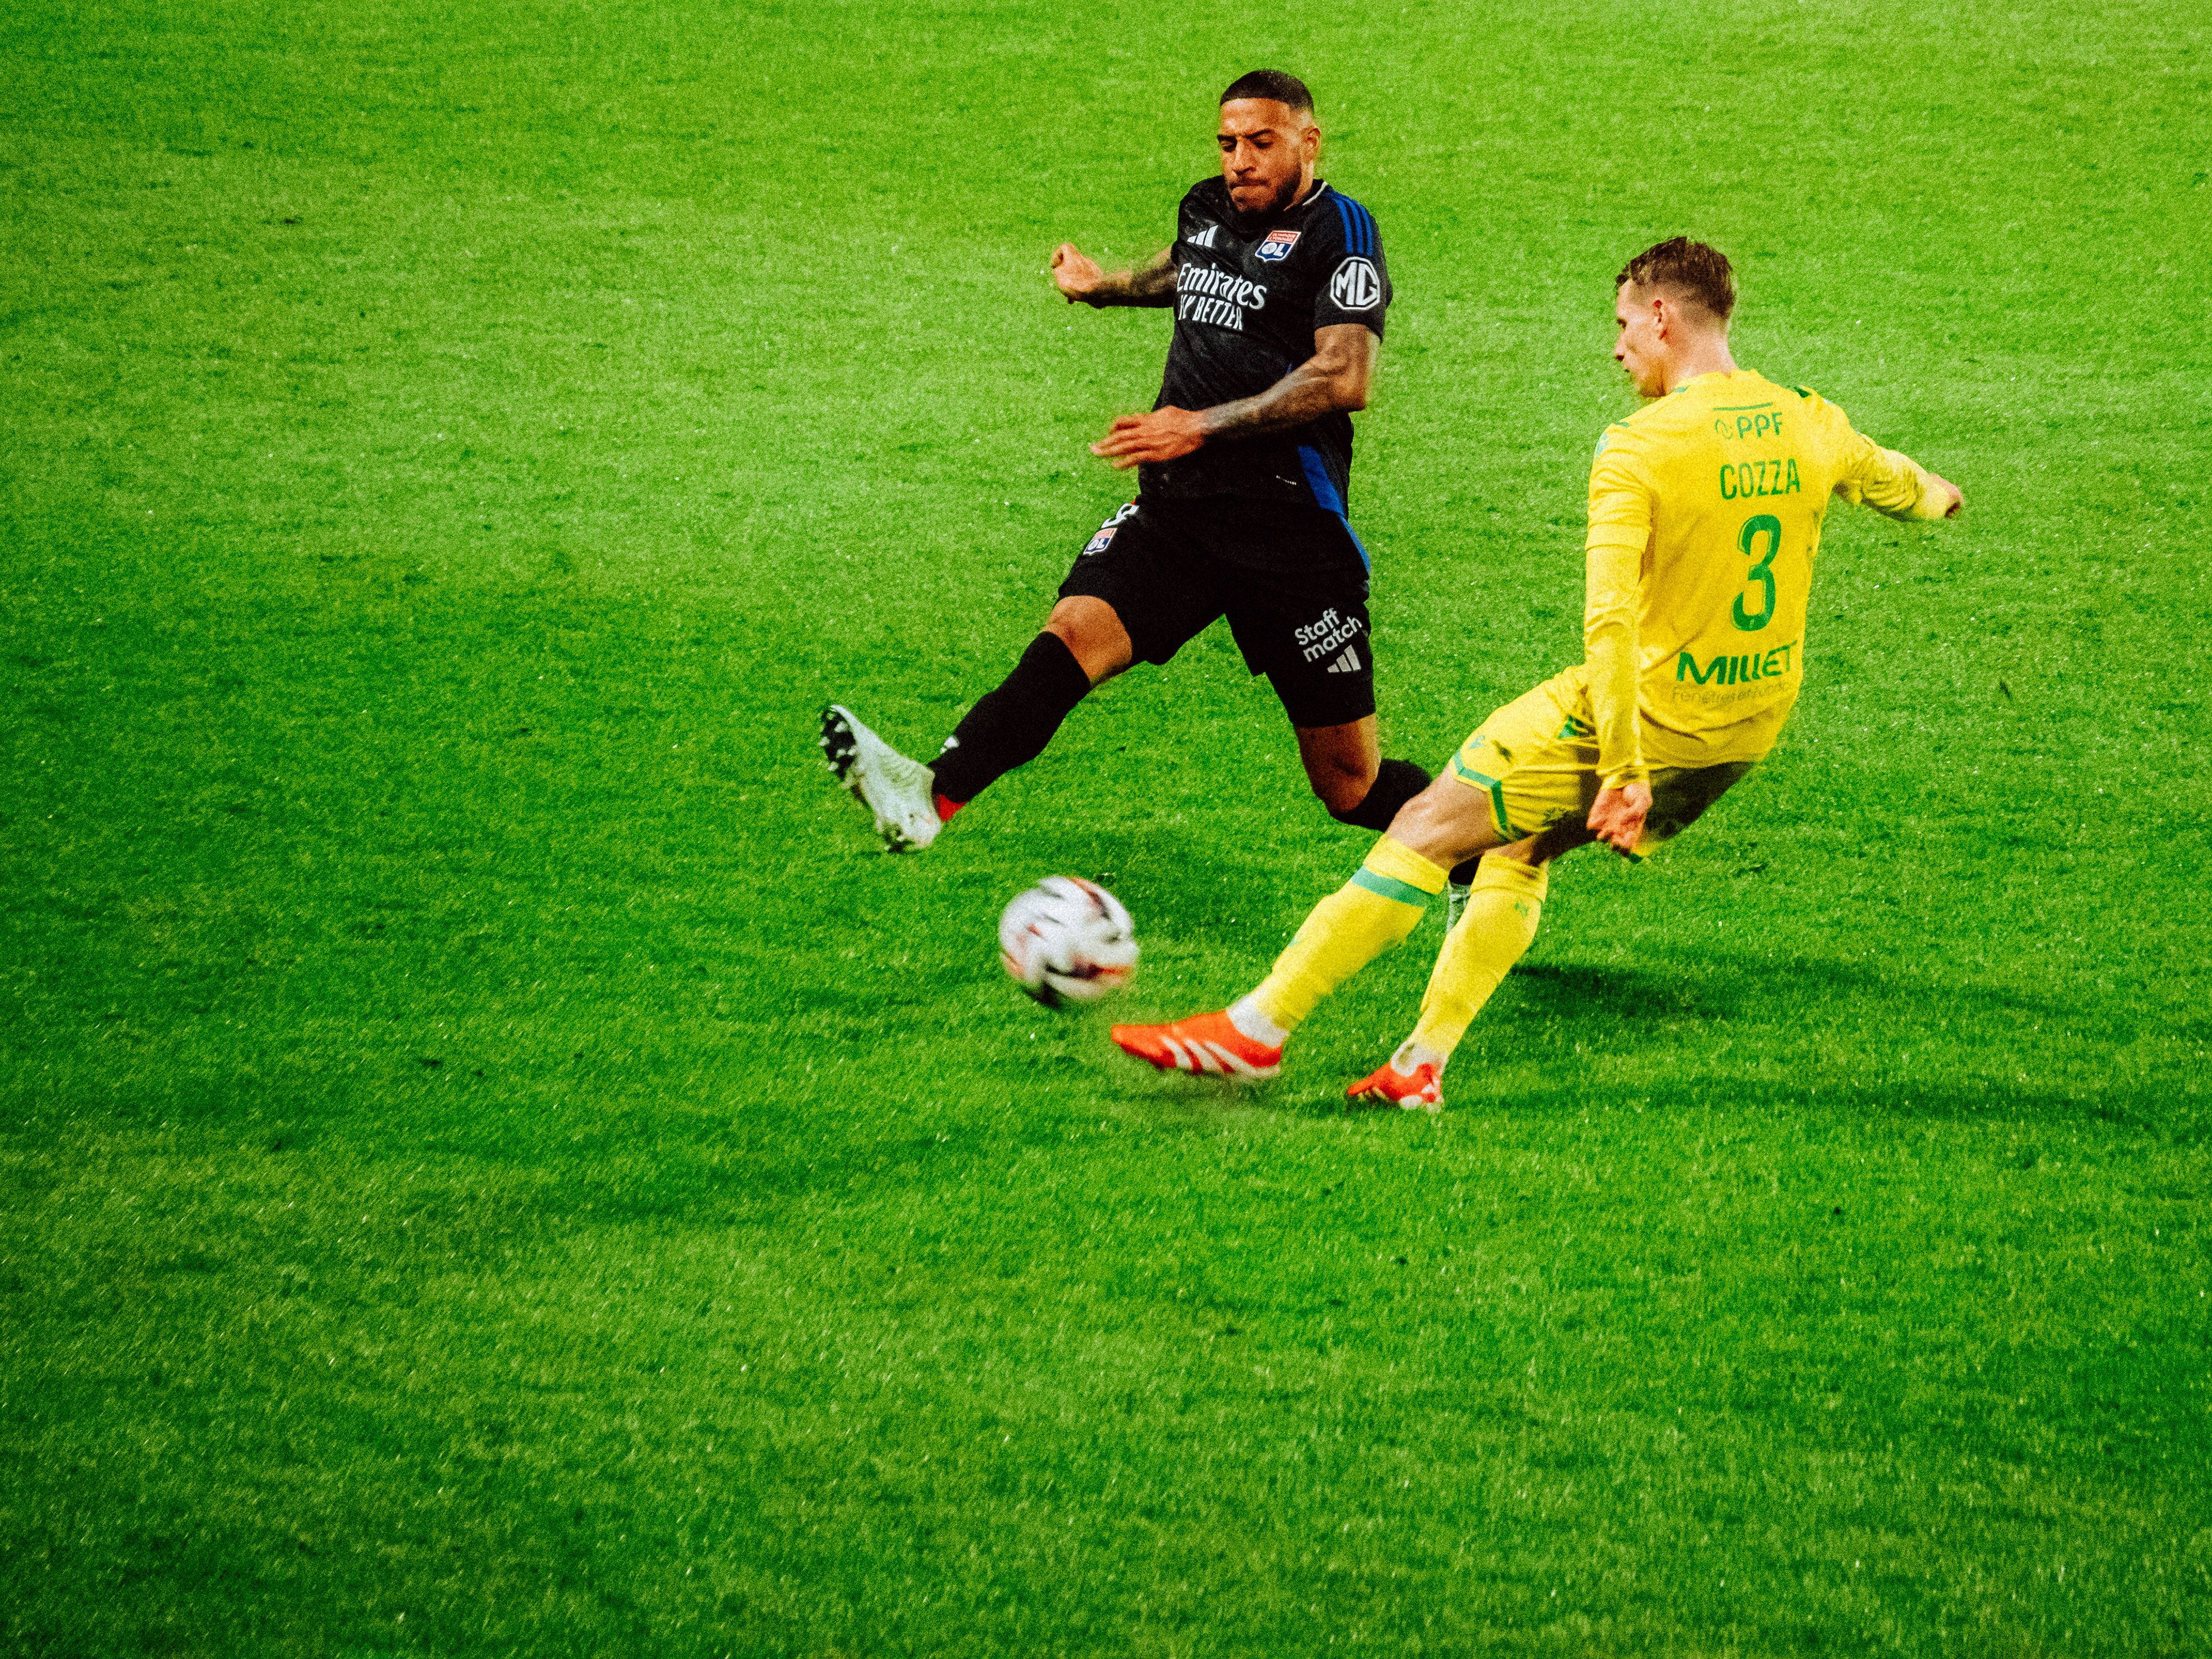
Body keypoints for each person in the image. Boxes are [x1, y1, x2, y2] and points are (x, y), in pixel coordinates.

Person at [1109, 237, 1964, 1109]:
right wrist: (1939, 492)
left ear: (1663, 317)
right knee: (1517, 843)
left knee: (1425, 827)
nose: (1618, 344)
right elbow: (1901, 482)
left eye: (1625, 323)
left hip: (1642, 719)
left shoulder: (1642, 447)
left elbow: (1612, 622)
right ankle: (1418, 1068)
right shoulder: (1808, 418)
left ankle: (1257, 1031)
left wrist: (1625, 768)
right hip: (1744, 728)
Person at [820, 69, 1443, 863]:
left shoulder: (1341, 232)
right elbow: (1192, 268)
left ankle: (1482, 847)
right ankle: (930, 793)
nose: (1240, 161)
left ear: (1307, 142)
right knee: (1070, 636)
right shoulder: (1207, 206)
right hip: (1180, 514)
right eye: (1228, 144)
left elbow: (1344, 376)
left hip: (1289, 533)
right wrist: (1101, 288)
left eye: (1261, 143)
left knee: (1349, 785)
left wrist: (1200, 426)